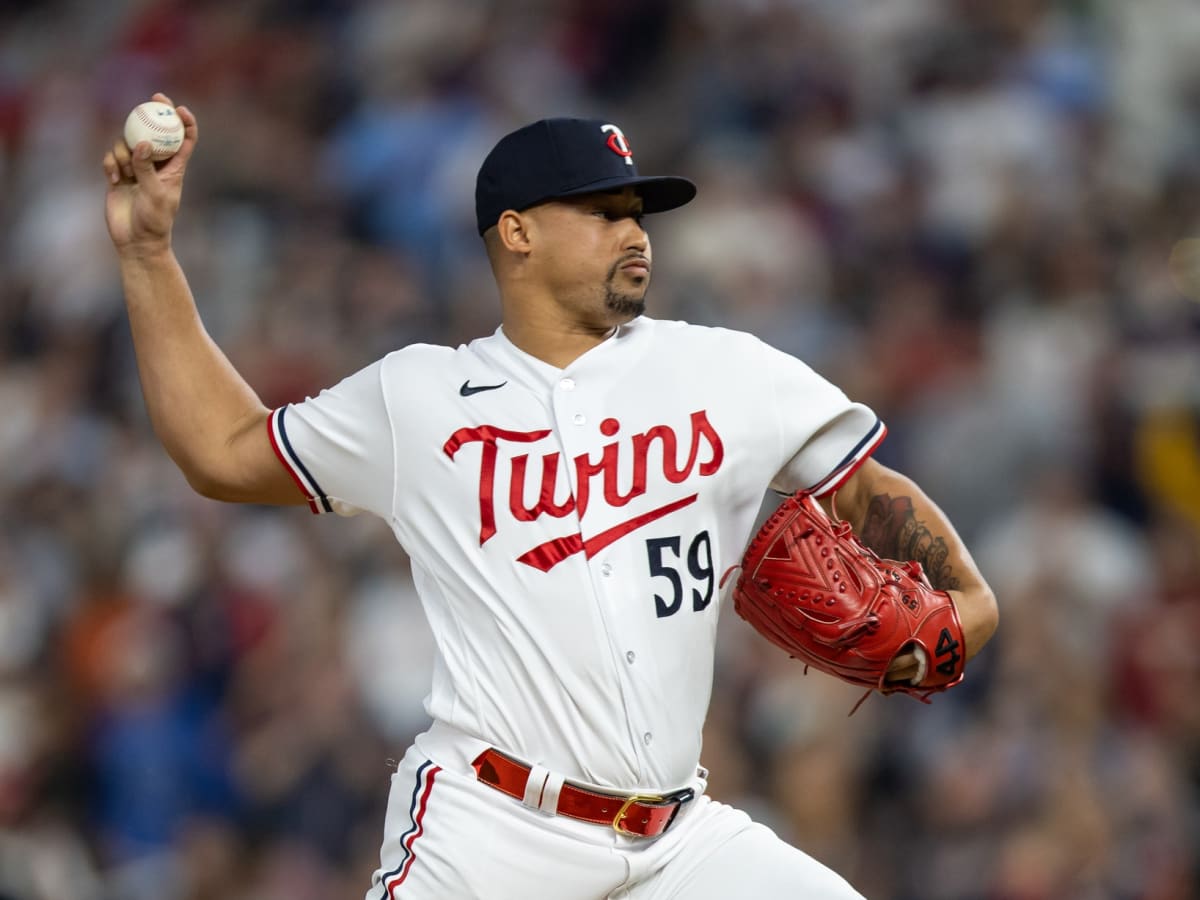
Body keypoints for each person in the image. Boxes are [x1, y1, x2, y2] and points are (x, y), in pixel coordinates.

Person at [103, 93, 998, 899]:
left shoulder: (727, 372)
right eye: (603, 212)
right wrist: (147, 254)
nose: (634, 231)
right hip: (488, 830)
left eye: (636, 212)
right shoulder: (418, 398)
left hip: (679, 838)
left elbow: (871, 492)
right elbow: (222, 450)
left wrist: (967, 603)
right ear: (518, 233)